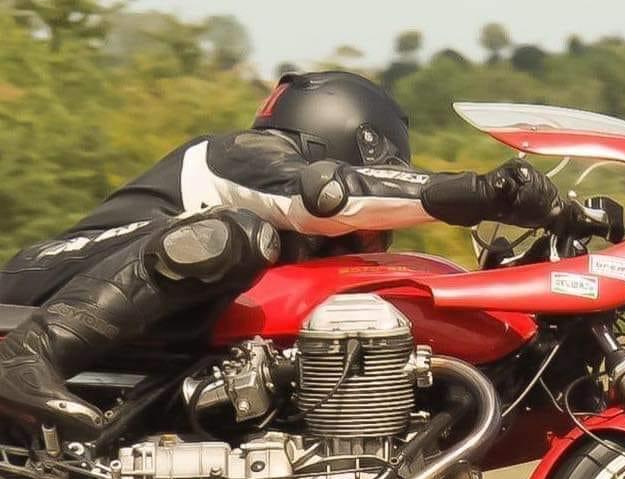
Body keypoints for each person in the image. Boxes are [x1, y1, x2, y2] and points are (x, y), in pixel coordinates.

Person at [0, 71, 561, 440]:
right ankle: (28, 356)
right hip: (42, 283)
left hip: (151, 352)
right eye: (386, 170)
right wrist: (482, 192)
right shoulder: (244, 153)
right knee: (234, 236)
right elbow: (328, 196)